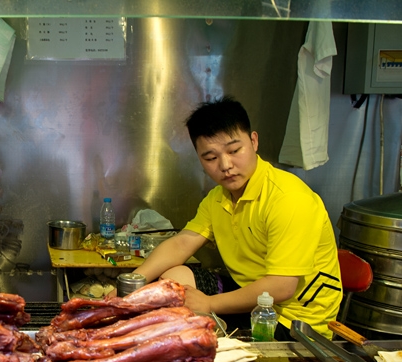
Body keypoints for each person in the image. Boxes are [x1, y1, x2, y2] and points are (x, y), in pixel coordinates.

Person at [126, 96, 342, 339]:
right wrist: (133, 282)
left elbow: (282, 287)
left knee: (186, 319)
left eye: (234, 150)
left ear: (254, 141)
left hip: (295, 320)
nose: (225, 165)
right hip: (250, 294)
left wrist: (210, 304)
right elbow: (182, 242)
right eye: (211, 158)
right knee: (173, 280)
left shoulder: (288, 198)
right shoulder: (219, 197)